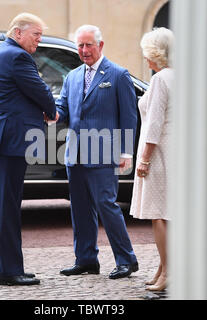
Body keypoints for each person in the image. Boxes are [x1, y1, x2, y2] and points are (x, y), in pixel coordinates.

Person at [0, 13, 57, 286]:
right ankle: (9, 271)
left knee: (2, 207)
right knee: (7, 207)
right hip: (8, 142)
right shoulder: (17, 57)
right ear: (18, 32)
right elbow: (40, 90)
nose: (39, 40)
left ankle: (4, 268)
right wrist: (51, 111)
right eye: (36, 34)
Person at [53, 25, 139, 279]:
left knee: (106, 205)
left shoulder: (118, 75)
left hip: (104, 153)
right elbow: (63, 110)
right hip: (75, 153)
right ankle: (86, 259)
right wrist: (48, 112)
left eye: (89, 45)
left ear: (100, 45)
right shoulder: (73, 76)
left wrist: (126, 152)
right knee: (79, 208)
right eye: (80, 45)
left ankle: (127, 259)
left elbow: (129, 117)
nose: (84, 50)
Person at [129, 27, 174, 291]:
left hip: (160, 152)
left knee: (159, 215)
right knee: (169, 214)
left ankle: (168, 272)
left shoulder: (160, 79)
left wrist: (144, 159)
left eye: (147, 52)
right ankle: (162, 268)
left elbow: (154, 123)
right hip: (176, 150)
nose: (145, 58)